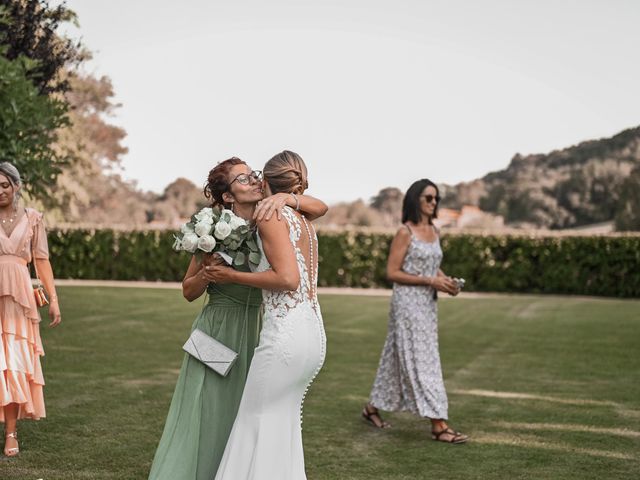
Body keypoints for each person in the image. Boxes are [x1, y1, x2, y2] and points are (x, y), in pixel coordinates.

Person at [148, 157, 327, 480]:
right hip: (215, 331)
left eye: (253, 175)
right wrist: (209, 273)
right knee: (205, 411)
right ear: (228, 196)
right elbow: (188, 291)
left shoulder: (270, 216)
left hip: (256, 329)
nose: (255, 181)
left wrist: (286, 196)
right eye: (243, 180)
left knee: (240, 414)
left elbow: (318, 207)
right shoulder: (212, 227)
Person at [210, 150, 326, 480]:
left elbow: (287, 279)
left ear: (266, 180)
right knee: (282, 427)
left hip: (285, 338)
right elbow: (321, 207)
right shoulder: (303, 220)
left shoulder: (270, 215)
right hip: (312, 333)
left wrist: (231, 276)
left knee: (253, 423)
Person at [362, 178, 468, 444]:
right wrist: (431, 281)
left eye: (436, 199)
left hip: (427, 305)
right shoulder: (405, 232)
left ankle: (371, 408)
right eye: (428, 198)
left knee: (396, 356)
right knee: (423, 361)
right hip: (407, 304)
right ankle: (439, 424)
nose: (434, 203)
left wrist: (446, 282)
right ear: (415, 200)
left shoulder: (434, 231)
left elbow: (432, 266)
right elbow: (392, 272)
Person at [0, 162, 62, 457]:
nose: (0, 191)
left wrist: (54, 298)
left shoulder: (33, 218)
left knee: (12, 364)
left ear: (16, 186)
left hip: (19, 299)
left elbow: (42, 261)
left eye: (4, 185)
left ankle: (11, 433)